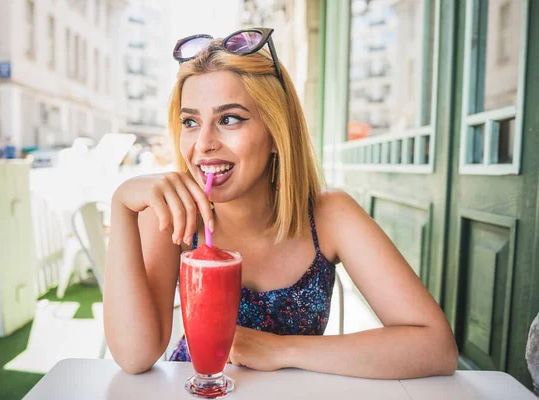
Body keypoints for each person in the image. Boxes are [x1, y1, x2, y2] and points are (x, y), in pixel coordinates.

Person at [104, 28, 458, 379]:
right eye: (191, 122)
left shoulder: (330, 216)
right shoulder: (174, 218)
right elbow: (135, 357)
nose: (204, 143)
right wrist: (121, 208)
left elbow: (436, 348)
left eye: (229, 119)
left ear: (276, 133)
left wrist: (281, 349)